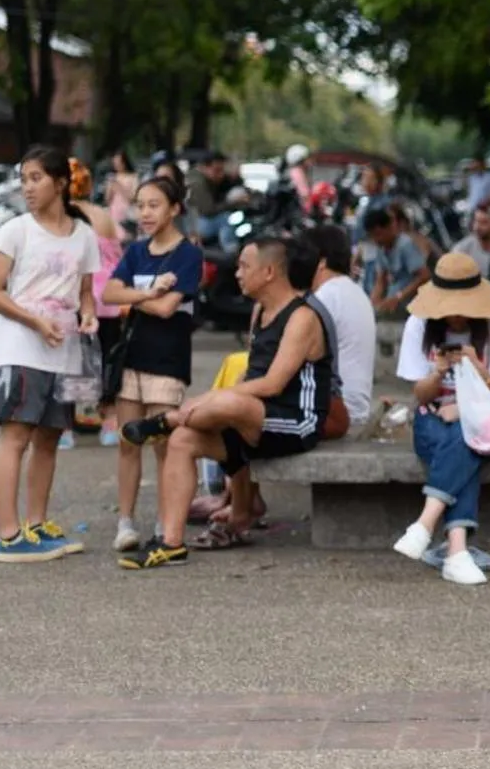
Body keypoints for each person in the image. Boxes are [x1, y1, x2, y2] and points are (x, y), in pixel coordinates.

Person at [119, 234, 332, 569]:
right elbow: (251, 372)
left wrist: (212, 398)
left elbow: (274, 384)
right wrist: (212, 401)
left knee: (229, 404)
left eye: (244, 266)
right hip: (253, 421)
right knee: (182, 441)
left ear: (270, 272)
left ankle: (167, 419)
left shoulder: (302, 317)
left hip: (295, 420)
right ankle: (171, 542)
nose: (237, 273)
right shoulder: (260, 309)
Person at [0, 145, 102, 562]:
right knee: (15, 437)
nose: (27, 187)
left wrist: (87, 316)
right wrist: (35, 321)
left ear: (60, 183)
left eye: (35, 178)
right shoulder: (16, 230)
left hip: (64, 351)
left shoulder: (83, 235)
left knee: (49, 439)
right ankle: (9, 535)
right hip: (21, 348)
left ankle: (36, 524)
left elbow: (85, 293)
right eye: (24, 178)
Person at [391, 253, 490, 587]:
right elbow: (420, 396)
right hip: (432, 416)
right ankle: (457, 550)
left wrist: (477, 369)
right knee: (461, 440)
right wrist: (437, 373)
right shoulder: (419, 325)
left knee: (464, 431)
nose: (457, 315)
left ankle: (424, 523)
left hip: (488, 416)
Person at [100, 175, 204, 553]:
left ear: (174, 208)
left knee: (163, 444)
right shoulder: (137, 251)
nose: (144, 212)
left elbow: (165, 309)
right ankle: (125, 522)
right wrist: (148, 291)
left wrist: (137, 298)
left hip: (168, 362)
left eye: (154, 204)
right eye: (140, 204)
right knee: (128, 441)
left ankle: (166, 521)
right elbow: (109, 293)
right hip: (132, 358)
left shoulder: (188, 255)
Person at [71, 158, 126, 449]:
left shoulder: (65, 217)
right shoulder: (103, 216)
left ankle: (65, 426)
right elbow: (115, 257)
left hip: (76, 299)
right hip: (107, 300)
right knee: (107, 359)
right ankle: (109, 421)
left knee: (69, 362)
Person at [304, 224, 378, 430]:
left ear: (320, 262)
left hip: (339, 411)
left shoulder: (326, 297)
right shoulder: (353, 291)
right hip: (354, 407)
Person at [361, 205, 429, 315]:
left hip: (412, 302)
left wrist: (399, 296)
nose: (376, 239)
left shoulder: (405, 245)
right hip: (394, 301)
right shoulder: (381, 248)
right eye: (373, 236)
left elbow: (424, 276)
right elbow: (380, 280)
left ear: (389, 228)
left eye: (379, 234)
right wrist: (372, 303)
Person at [105, 149, 139, 234]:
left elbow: (134, 198)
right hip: (114, 217)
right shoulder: (112, 178)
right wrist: (110, 188)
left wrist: (120, 188)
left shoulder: (133, 177)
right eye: (115, 163)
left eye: (118, 162)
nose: (116, 165)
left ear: (124, 162)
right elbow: (107, 200)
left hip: (128, 217)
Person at [283, 143, 313, 209]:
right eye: (307, 159)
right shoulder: (297, 173)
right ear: (300, 160)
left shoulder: (292, 172)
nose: (310, 162)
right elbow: (305, 195)